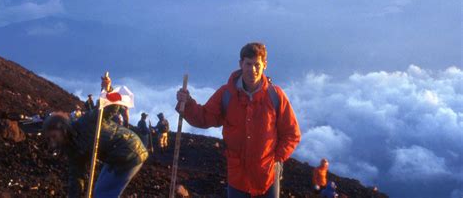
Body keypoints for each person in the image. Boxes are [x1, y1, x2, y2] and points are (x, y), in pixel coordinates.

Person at [176, 42, 301, 198]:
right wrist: (188, 103)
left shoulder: (275, 96)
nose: (253, 69)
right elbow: (204, 117)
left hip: (267, 176)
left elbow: (292, 134)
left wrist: (275, 159)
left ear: (265, 65)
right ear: (241, 64)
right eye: (248, 64)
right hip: (238, 177)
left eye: (257, 64)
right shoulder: (227, 94)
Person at [43, 110, 148, 198]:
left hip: (130, 152)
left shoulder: (86, 122)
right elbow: (77, 175)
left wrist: (108, 90)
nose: (52, 142)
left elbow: (107, 110)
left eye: (54, 136)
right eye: (49, 139)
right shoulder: (71, 147)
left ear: (63, 129)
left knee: (104, 194)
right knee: (98, 190)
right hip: (114, 156)